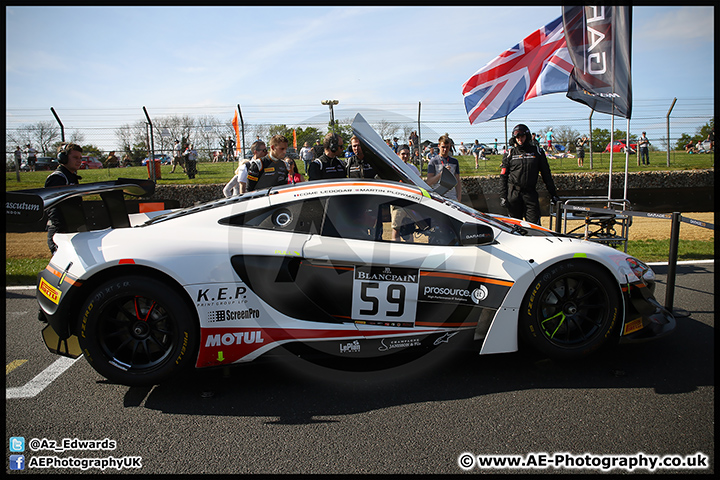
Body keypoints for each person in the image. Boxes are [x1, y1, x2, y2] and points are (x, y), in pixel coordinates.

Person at [500, 124, 559, 225]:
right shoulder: (510, 153)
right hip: (514, 195)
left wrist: (553, 194)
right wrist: (503, 196)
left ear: (527, 137)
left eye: (522, 137)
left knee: (534, 227)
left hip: (530, 194)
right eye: (517, 137)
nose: (520, 140)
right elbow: (503, 177)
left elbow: (546, 175)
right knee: (514, 228)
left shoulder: (537, 152)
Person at [45, 143, 83, 254]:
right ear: (63, 158)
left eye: (80, 158)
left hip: (71, 228)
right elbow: (53, 207)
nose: (79, 161)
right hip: (60, 230)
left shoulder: (71, 177)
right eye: (75, 157)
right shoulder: (57, 177)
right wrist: (61, 230)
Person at [426, 134, 462, 201]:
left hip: (452, 197)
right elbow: (429, 182)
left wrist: (459, 196)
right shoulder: (433, 161)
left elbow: (457, 181)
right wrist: (441, 174)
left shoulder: (454, 161)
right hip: (438, 196)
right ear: (439, 146)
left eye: (447, 147)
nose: (445, 150)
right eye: (443, 147)